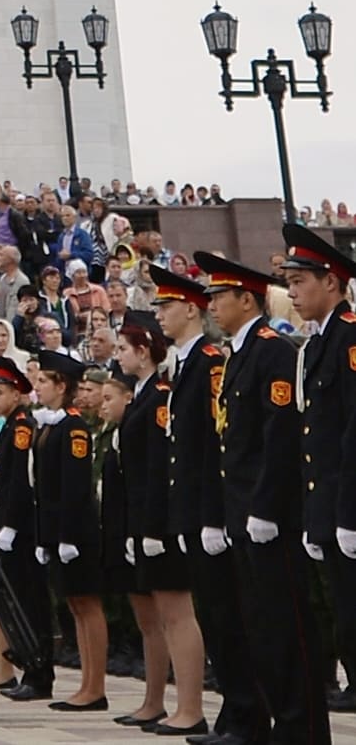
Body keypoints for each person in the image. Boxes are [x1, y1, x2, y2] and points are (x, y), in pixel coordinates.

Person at [195, 251, 328, 745]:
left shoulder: (271, 350)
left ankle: (303, 730)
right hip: (243, 513)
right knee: (262, 628)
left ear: (245, 299)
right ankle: (282, 725)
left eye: (218, 296)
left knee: (286, 627)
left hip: (268, 515)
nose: (210, 305)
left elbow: (278, 436)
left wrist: (266, 508)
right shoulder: (236, 355)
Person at [147, 262, 264, 745]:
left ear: (192, 311)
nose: (159, 315)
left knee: (228, 618)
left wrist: (212, 517)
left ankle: (246, 716)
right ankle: (234, 715)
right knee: (215, 618)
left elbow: (218, 445)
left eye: (167, 306)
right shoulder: (186, 363)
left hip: (212, 513)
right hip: (194, 513)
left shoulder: (210, 362)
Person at [277, 223, 356, 713]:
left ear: (332, 281)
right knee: (343, 605)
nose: (292, 291)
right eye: (289, 281)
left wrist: (347, 512)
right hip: (327, 500)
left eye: (301, 280)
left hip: (348, 502)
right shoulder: (319, 344)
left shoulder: (349, 340)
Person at [112, 322, 204, 736]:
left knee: (176, 614)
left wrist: (152, 526)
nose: (118, 354)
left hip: (162, 522)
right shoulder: (143, 397)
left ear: (145, 350)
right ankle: (154, 701)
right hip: (142, 520)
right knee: (155, 618)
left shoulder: (160, 397)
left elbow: (158, 467)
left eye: (124, 347)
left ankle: (190, 706)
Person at [30, 345, 107, 711]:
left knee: (87, 605)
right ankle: (86, 685)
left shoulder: (74, 426)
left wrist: (66, 536)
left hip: (76, 534)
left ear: (61, 385)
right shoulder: (53, 425)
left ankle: (95, 686)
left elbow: (75, 488)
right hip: (58, 532)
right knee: (76, 606)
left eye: (44, 381)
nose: (38, 387)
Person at [0, 352, 54, 702]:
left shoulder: (22, 426)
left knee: (30, 601)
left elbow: (19, 483)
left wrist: (10, 525)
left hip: (23, 531)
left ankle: (39, 672)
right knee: (20, 602)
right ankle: (31, 668)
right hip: (10, 528)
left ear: (16, 393)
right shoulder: (10, 426)